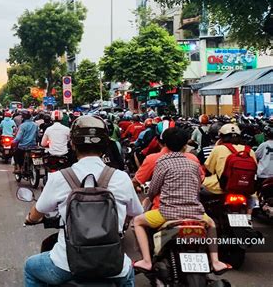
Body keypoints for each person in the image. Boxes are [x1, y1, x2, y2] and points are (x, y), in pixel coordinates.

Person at [23, 115, 143, 286]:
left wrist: (30, 219)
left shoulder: (60, 178)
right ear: (106, 144)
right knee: (128, 273)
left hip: (65, 265)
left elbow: (38, 211)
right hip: (113, 266)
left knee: (30, 268)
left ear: (72, 144)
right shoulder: (121, 178)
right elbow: (136, 212)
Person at [132, 127, 231, 274]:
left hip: (166, 213)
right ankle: (216, 261)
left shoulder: (161, 162)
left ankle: (146, 261)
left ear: (163, 143)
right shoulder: (193, 162)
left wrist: (151, 197)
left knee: (138, 222)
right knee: (211, 224)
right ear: (185, 145)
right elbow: (199, 184)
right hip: (195, 213)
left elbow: (153, 189)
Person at [203, 123, 257, 196]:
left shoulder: (218, 149)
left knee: (200, 189)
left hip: (220, 188)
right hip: (246, 188)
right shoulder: (250, 151)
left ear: (221, 137)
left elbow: (210, 169)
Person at [13, 110, 38, 174]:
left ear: (23, 117)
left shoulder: (22, 126)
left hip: (23, 146)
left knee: (16, 153)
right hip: (33, 146)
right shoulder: (35, 125)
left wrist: (13, 141)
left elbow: (18, 138)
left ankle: (19, 168)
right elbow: (38, 135)